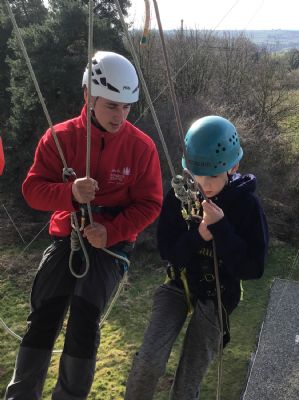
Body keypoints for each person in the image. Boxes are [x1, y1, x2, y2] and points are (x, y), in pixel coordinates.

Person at [5, 51, 163, 399]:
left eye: (126, 107)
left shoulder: (141, 147)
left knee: (84, 320)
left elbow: (150, 203)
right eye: (111, 106)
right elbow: (33, 191)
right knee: (43, 315)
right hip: (69, 234)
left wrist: (112, 231)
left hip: (111, 242)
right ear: (88, 96)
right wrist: (70, 194)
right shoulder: (60, 137)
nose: (120, 116)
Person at [124, 115, 269, 400]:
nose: (204, 185)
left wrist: (221, 229)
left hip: (219, 293)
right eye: (197, 176)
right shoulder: (180, 196)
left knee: (188, 379)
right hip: (180, 282)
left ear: (233, 167)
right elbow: (168, 252)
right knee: (148, 362)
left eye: (213, 176)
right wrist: (198, 236)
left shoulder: (247, 206)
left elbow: (253, 268)